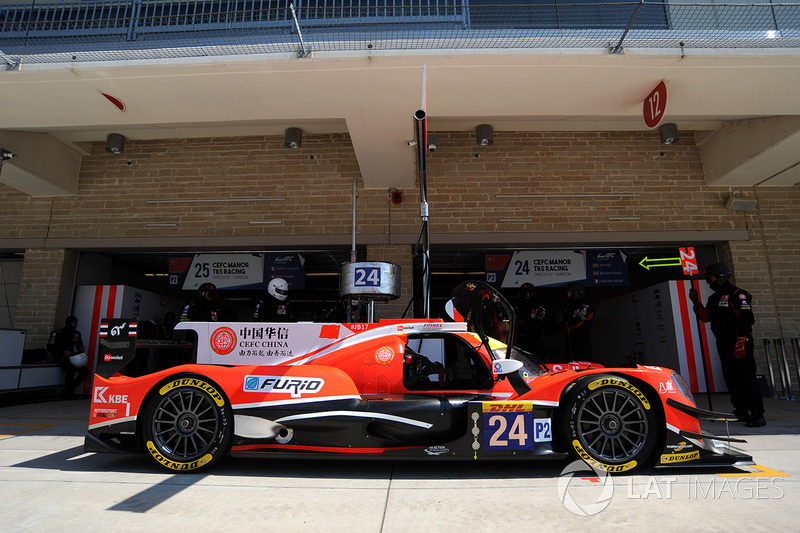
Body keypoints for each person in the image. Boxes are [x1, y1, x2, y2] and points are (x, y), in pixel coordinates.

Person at [689, 263, 765, 427]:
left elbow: (747, 319)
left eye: (711, 279)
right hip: (723, 344)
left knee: (746, 377)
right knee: (731, 378)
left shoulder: (739, 295)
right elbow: (705, 317)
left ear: (720, 277)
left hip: (740, 343)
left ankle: (758, 414)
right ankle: (741, 411)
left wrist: (742, 339)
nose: (709, 283)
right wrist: (696, 301)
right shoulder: (713, 298)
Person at [46, 315, 90, 398]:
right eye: (73, 323)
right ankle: (68, 392)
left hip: (72, 357)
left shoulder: (76, 334)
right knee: (71, 368)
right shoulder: (58, 333)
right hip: (60, 356)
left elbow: (79, 344)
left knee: (85, 372)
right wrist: (62, 351)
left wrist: (81, 348)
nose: (75, 325)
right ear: (68, 323)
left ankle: (68, 388)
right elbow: (50, 347)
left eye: (76, 323)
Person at [559, 282, 595, 362]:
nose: (567, 296)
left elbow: (576, 323)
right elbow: (561, 327)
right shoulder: (568, 309)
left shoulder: (587, 307)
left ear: (576, 293)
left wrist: (567, 325)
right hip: (569, 346)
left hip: (582, 347)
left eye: (568, 293)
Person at [515, 283, 547, 358]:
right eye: (522, 293)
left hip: (536, 340)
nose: (524, 295)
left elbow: (540, 321)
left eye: (526, 293)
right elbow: (514, 322)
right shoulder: (518, 307)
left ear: (532, 294)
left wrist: (525, 321)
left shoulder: (539, 307)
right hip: (522, 339)